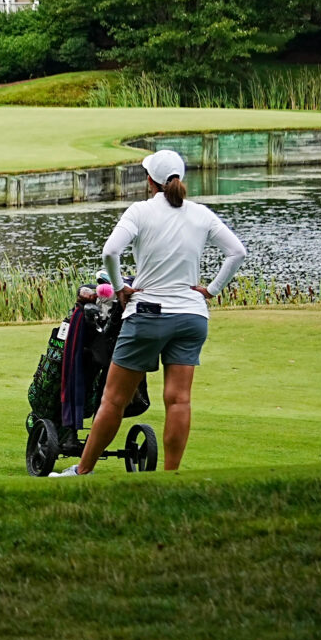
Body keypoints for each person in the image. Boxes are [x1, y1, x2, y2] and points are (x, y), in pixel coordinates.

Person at [53, 149, 246, 476]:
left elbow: (110, 251)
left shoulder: (140, 211)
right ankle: (170, 476)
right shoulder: (201, 214)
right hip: (192, 317)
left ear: (150, 181)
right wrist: (210, 290)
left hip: (148, 316)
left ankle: (82, 471)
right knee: (179, 400)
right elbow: (237, 252)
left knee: (113, 400)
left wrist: (119, 288)